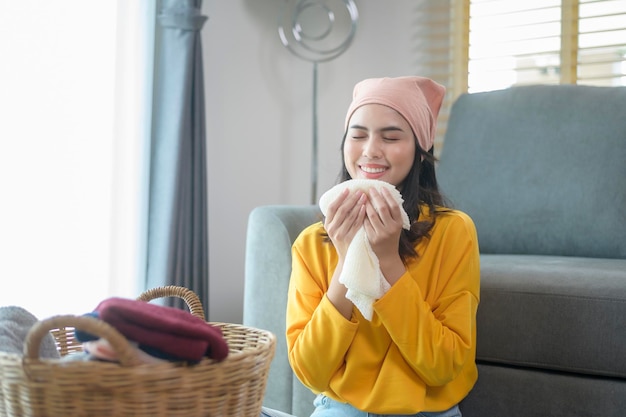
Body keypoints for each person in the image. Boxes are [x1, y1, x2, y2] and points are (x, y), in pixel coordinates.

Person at [264, 76, 480, 417]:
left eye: (391, 136)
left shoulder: (453, 231)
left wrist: (388, 260)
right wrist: (346, 262)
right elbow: (310, 371)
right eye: (358, 134)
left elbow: (444, 366)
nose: (370, 150)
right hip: (340, 408)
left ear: (420, 153)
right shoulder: (312, 244)